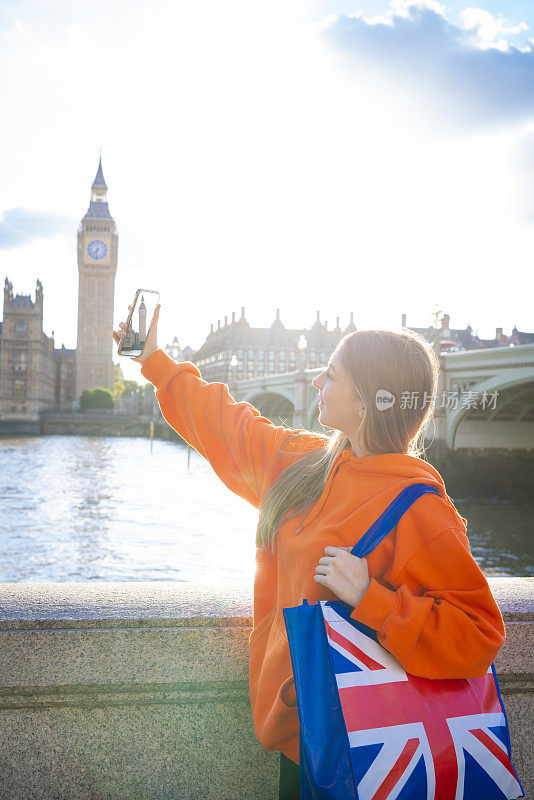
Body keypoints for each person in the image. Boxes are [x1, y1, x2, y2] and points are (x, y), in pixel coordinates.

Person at [113, 308, 505, 800]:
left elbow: (479, 632)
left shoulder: (421, 510)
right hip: (301, 738)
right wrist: (154, 361)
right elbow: (231, 427)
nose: (317, 379)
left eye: (333, 374)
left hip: (369, 751)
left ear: (366, 400)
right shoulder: (308, 464)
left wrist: (372, 597)